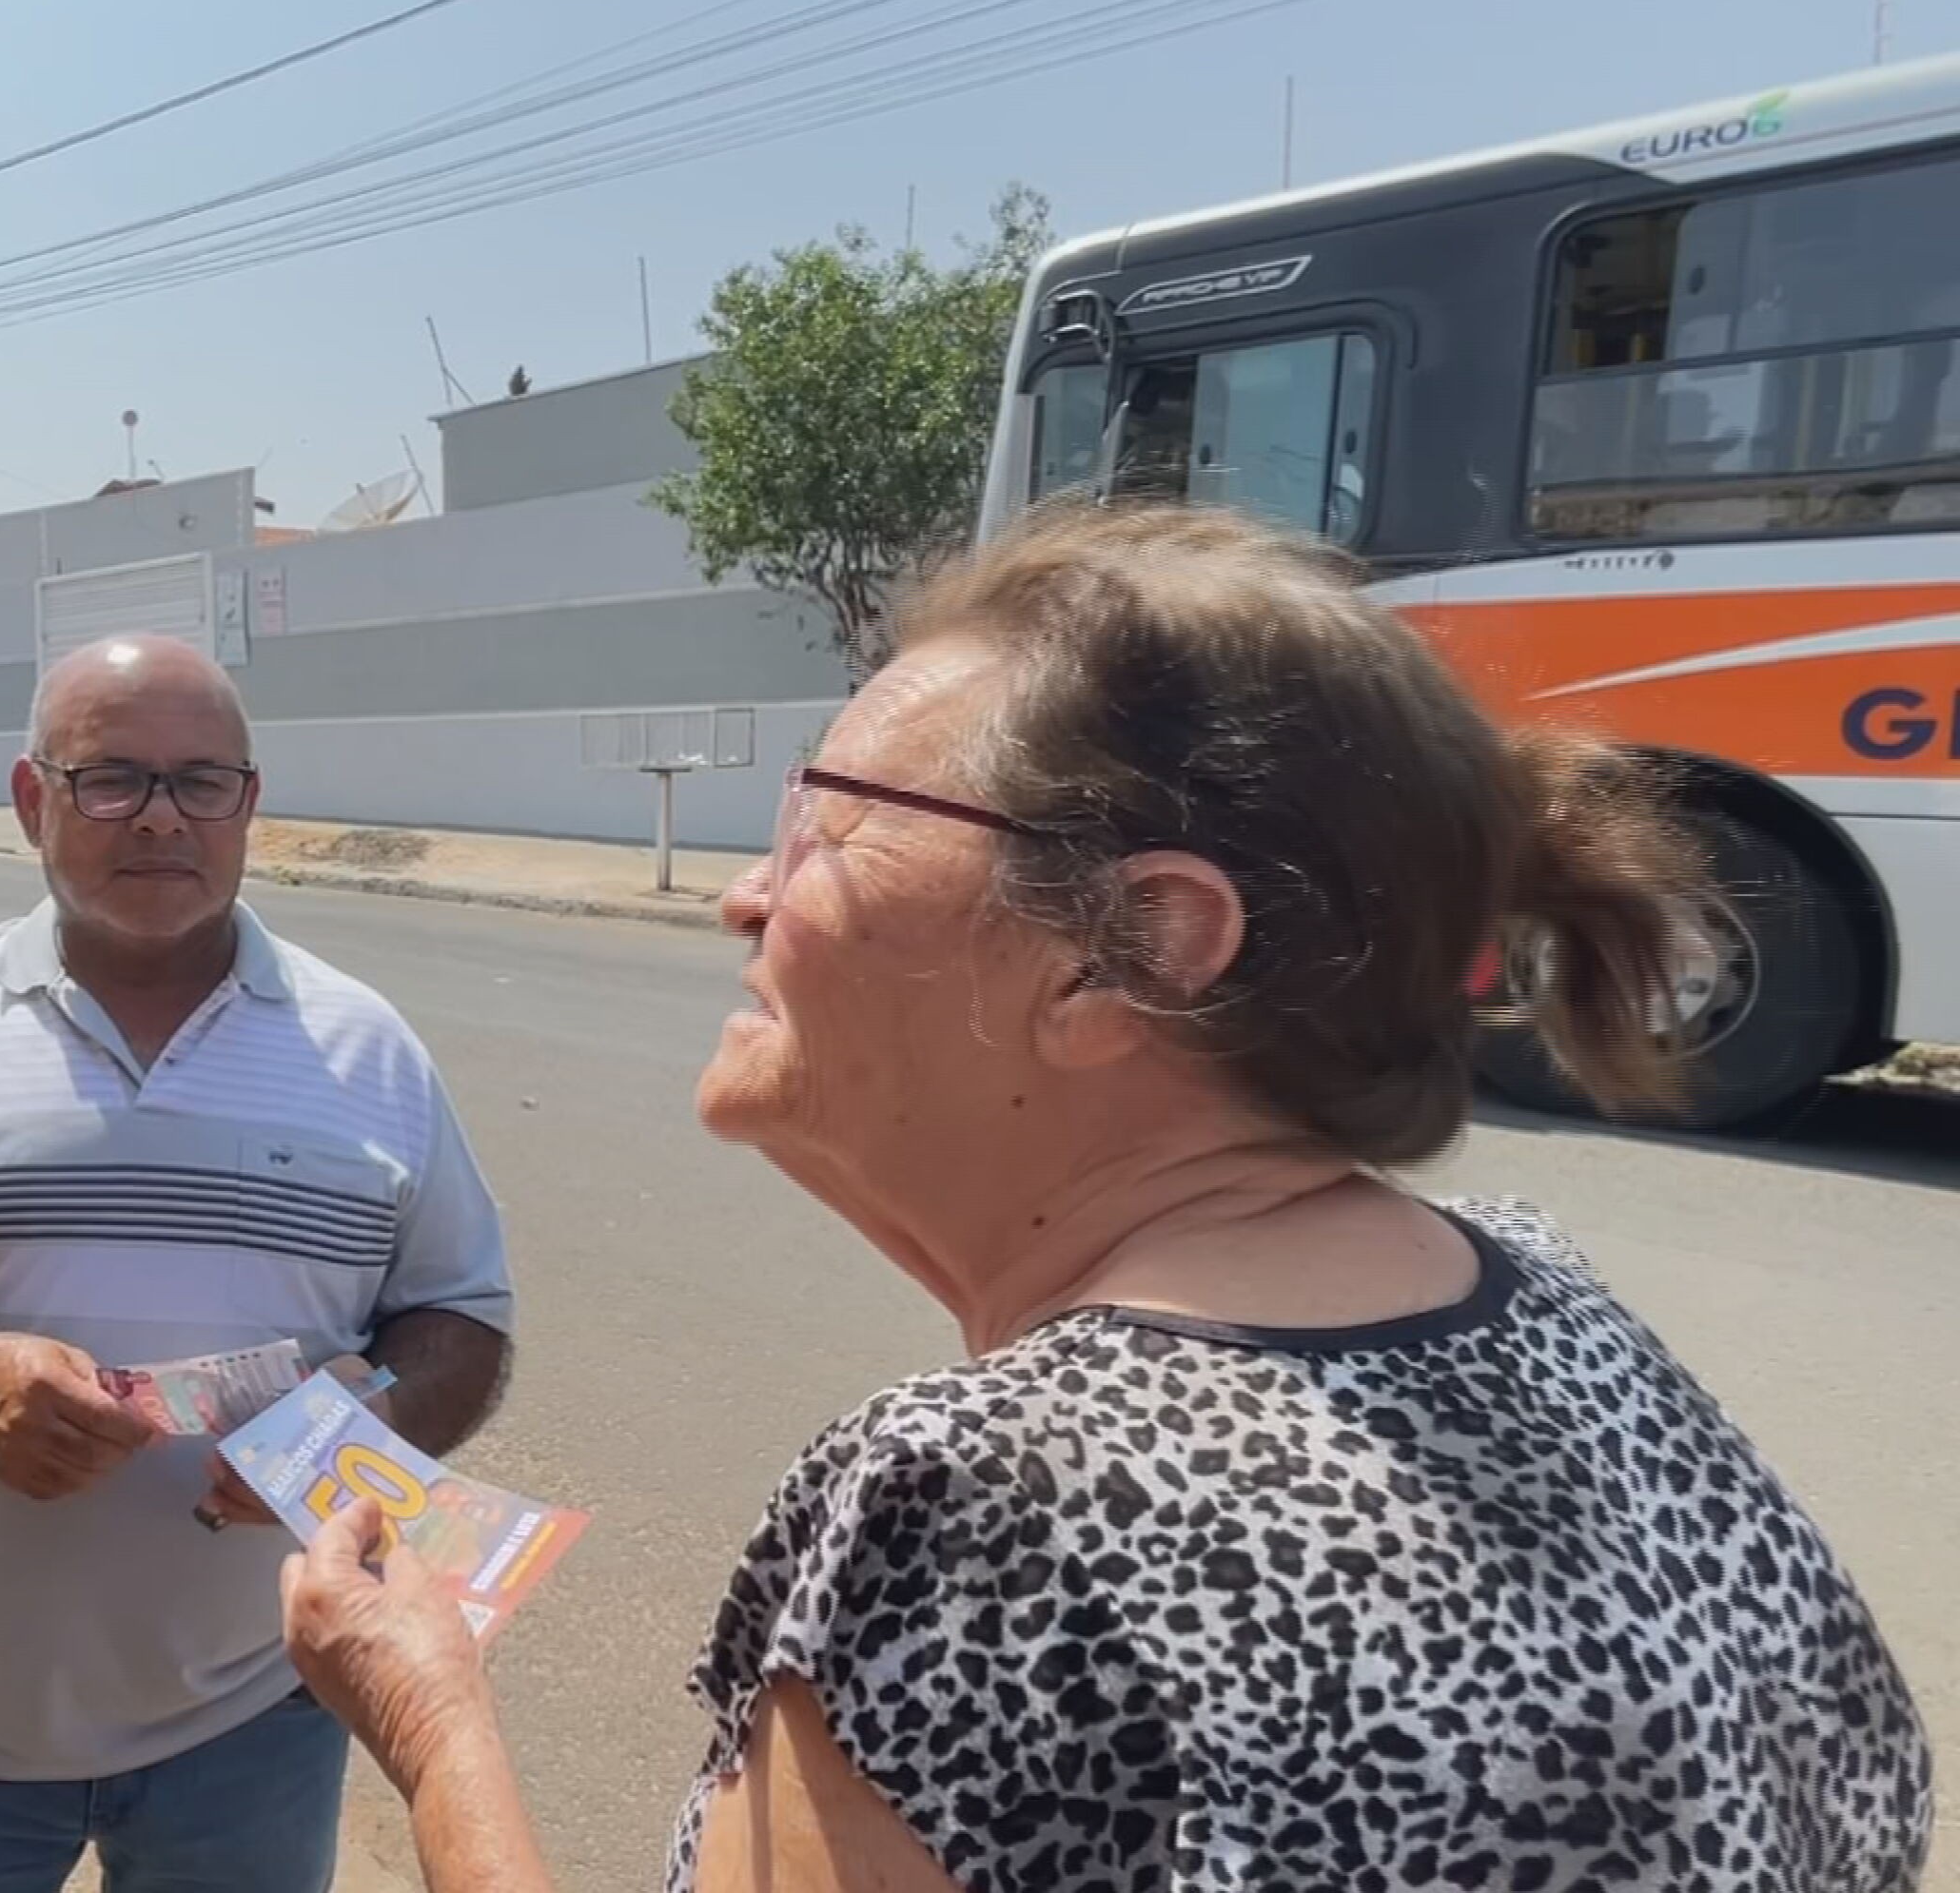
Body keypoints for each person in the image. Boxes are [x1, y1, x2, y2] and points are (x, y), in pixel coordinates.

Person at [279, 506, 1934, 1893]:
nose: (746, 894)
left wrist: (432, 1725)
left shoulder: (996, 1501)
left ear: (1134, 947)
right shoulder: (1558, 1312)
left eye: (838, 821)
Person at [0, 632, 518, 1893]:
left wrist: (356, 1436)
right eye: (112, 780)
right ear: (34, 800)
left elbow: (461, 1319)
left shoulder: (368, 1049)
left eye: (201, 782)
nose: (160, 818)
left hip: (256, 1723)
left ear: (249, 805)